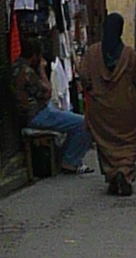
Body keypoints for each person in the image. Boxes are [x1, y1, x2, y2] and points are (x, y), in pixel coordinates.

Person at [73, 14, 136, 196]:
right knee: (129, 142)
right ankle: (124, 173)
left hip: (100, 108)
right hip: (126, 107)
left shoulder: (92, 53)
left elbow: (84, 77)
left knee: (106, 143)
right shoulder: (129, 54)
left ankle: (113, 174)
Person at [13, 41, 89, 172]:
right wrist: (42, 69)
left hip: (34, 112)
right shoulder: (26, 72)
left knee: (68, 115)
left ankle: (67, 158)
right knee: (84, 123)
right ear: (35, 56)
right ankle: (70, 161)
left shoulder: (15, 67)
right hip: (37, 115)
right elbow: (47, 92)